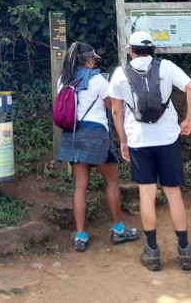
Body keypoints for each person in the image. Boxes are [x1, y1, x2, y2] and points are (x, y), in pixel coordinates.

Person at [108, 31, 191, 271]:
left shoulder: (120, 73)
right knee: (173, 193)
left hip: (139, 141)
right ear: (153, 50)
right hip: (168, 138)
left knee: (147, 194)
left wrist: (123, 140)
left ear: (131, 50)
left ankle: (152, 252)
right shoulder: (166, 67)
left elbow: (116, 112)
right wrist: (189, 119)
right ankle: (185, 251)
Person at [56, 41, 139, 252]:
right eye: (93, 59)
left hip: (73, 135)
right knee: (111, 180)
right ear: (90, 61)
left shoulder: (63, 80)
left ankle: (80, 235)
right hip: (96, 135)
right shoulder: (98, 80)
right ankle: (118, 229)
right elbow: (112, 107)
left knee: (80, 186)